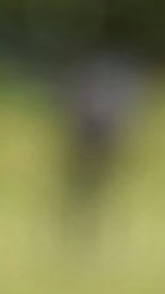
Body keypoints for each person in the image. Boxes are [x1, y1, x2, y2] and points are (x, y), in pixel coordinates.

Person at [54, 51, 144, 255]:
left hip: (97, 150)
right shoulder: (97, 94)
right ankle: (78, 236)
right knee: (82, 195)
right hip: (88, 150)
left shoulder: (91, 91)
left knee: (97, 194)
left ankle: (92, 236)